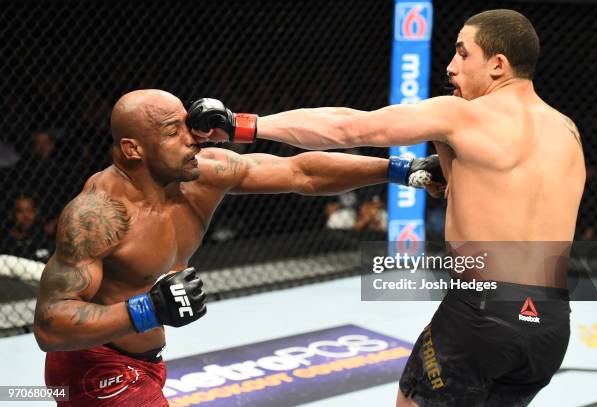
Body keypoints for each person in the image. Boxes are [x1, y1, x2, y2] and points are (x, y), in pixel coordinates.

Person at [187, 9, 586, 406]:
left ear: (498, 64)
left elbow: (350, 128)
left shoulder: (463, 115)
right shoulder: (567, 131)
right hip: (550, 324)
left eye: (463, 54)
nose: (451, 67)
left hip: (480, 313)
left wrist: (243, 125)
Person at [32, 89, 440, 406]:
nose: (192, 138)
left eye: (186, 123)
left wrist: (405, 170)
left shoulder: (203, 173)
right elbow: (50, 324)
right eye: (173, 132)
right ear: (133, 149)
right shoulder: (97, 215)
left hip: (145, 360)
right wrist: (148, 310)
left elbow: (301, 173)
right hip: (94, 366)